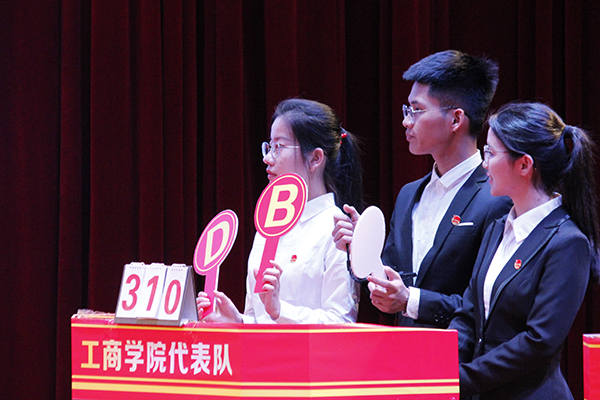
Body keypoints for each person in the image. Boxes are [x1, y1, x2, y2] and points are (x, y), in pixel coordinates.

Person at [333, 50, 512, 327]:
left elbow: (488, 303)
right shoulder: (408, 195)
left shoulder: (496, 196)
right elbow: (390, 285)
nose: (406, 121)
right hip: (405, 350)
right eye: (407, 110)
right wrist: (361, 249)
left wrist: (411, 301)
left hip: (460, 352)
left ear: (456, 119)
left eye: (416, 110)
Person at [449, 102, 599, 399]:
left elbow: (538, 342)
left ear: (524, 165)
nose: (484, 163)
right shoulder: (496, 228)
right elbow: (468, 314)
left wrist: (462, 378)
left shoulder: (568, 242)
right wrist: (443, 366)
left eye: (491, 153)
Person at [197, 98, 363, 324]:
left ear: (315, 158)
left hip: (307, 350)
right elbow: (258, 317)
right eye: (269, 147)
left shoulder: (338, 228)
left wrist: (280, 310)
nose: (267, 159)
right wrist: (239, 322)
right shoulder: (267, 226)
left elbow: (341, 322)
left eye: (279, 147)